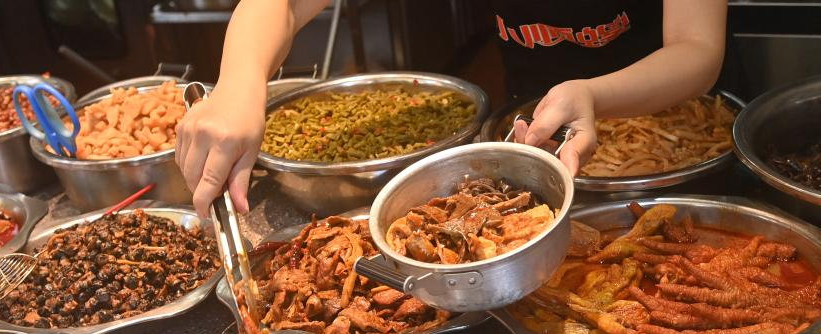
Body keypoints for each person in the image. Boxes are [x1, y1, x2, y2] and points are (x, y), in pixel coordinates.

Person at [176, 0, 727, 218]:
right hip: (533, 125)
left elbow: (697, 50)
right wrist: (240, 83)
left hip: (673, 127)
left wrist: (597, 95)